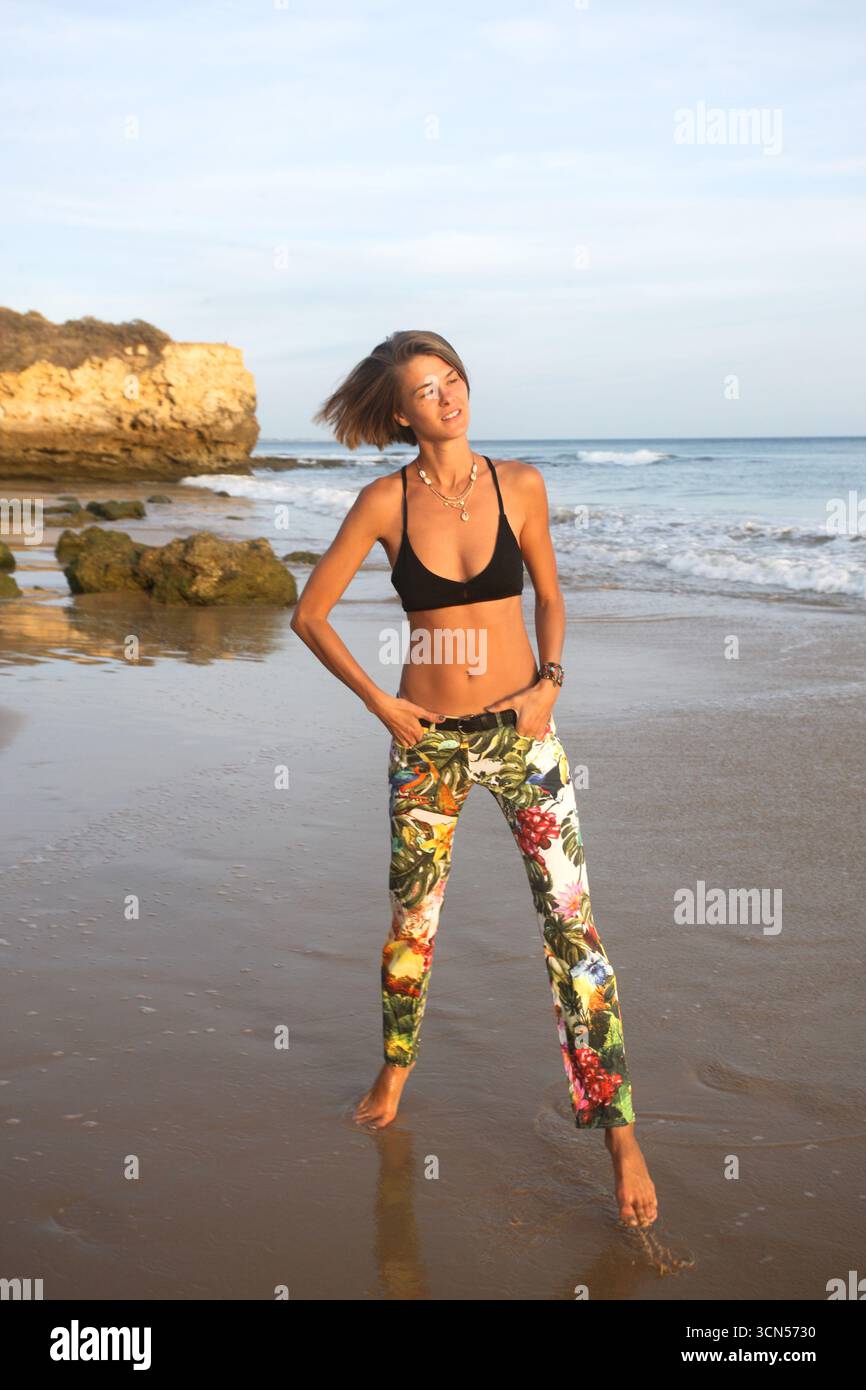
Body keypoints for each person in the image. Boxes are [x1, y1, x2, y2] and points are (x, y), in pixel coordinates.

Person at [291, 330, 657, 1228]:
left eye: (452, 378)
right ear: (400, 412)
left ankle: (618, 1131)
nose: (447, 396)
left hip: (525, 736)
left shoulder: (521, 483)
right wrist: (383, 704)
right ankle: (396, 1069)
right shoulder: (383, 502)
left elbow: (552, 595)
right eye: (426, 388)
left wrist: (551, 685)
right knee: (412, 926)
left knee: (574, 931)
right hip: (428, 745)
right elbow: (310, 614)